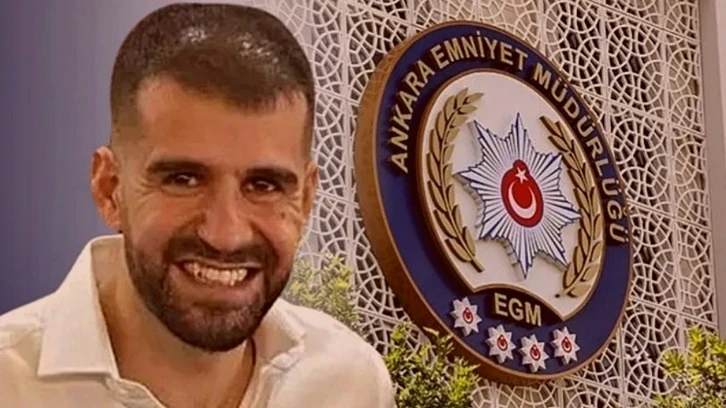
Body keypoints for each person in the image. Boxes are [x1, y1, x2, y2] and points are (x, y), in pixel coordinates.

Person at [0, 3, 395, 407]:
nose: (226, 235)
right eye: (183, 180)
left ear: (306, 199)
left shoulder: (351, 383)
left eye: (263, 185)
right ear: (110, 189)